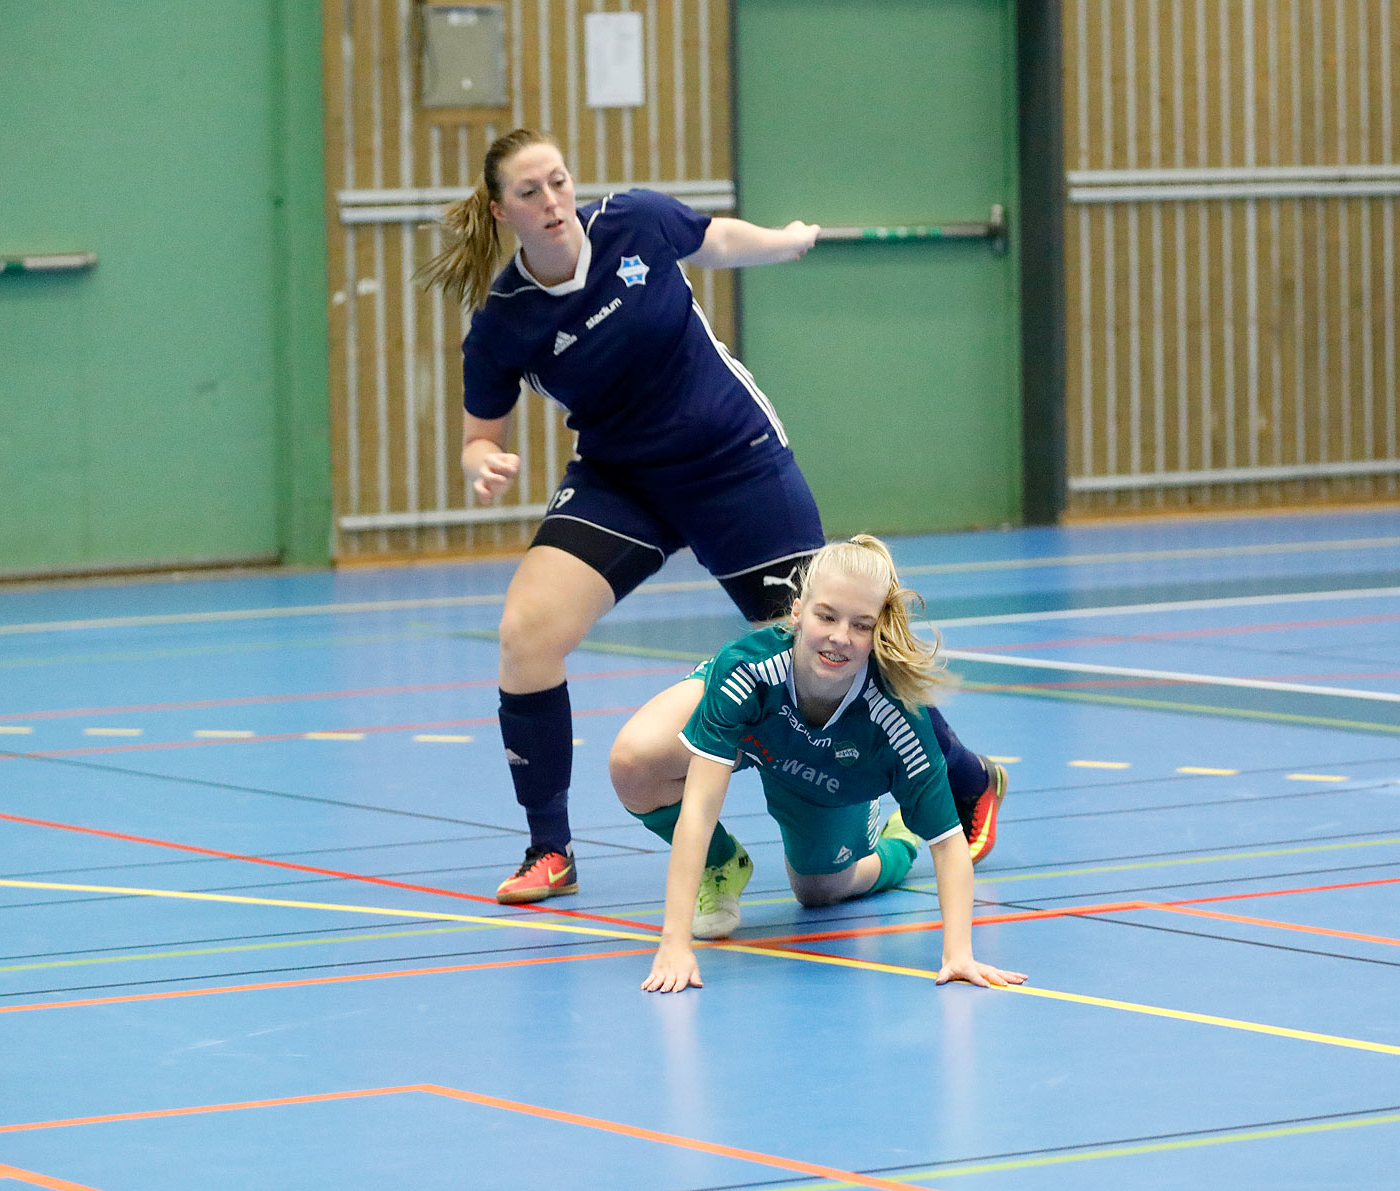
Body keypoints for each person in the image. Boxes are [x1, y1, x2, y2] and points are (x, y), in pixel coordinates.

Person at [417, 129, 1006, 905]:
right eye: (531, 192)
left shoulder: (632, 222)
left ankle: (967, 779)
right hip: (622, 480)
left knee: (832, 634)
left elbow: (713, 238)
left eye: (559, 182)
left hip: (733, 459)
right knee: (526, 633)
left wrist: (783, 242)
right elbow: (478, 432)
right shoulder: (504, 324)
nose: (553, 201)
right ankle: (550, 848)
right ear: (501, 211)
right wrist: (477, 462)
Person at [611, 536, 1027, 993]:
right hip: (756, 730)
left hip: (824, 776)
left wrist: (958, 954)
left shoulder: (897, 719)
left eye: (861, 625)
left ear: (878, 633)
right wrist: (674, 942)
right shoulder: (747, 672)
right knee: (634, 762)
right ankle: (723, 864)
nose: (839, 637)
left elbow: (948, 845)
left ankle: (895, 838)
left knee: (819, 891)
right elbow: (699, 809)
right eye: (826, 616)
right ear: (796, 612)